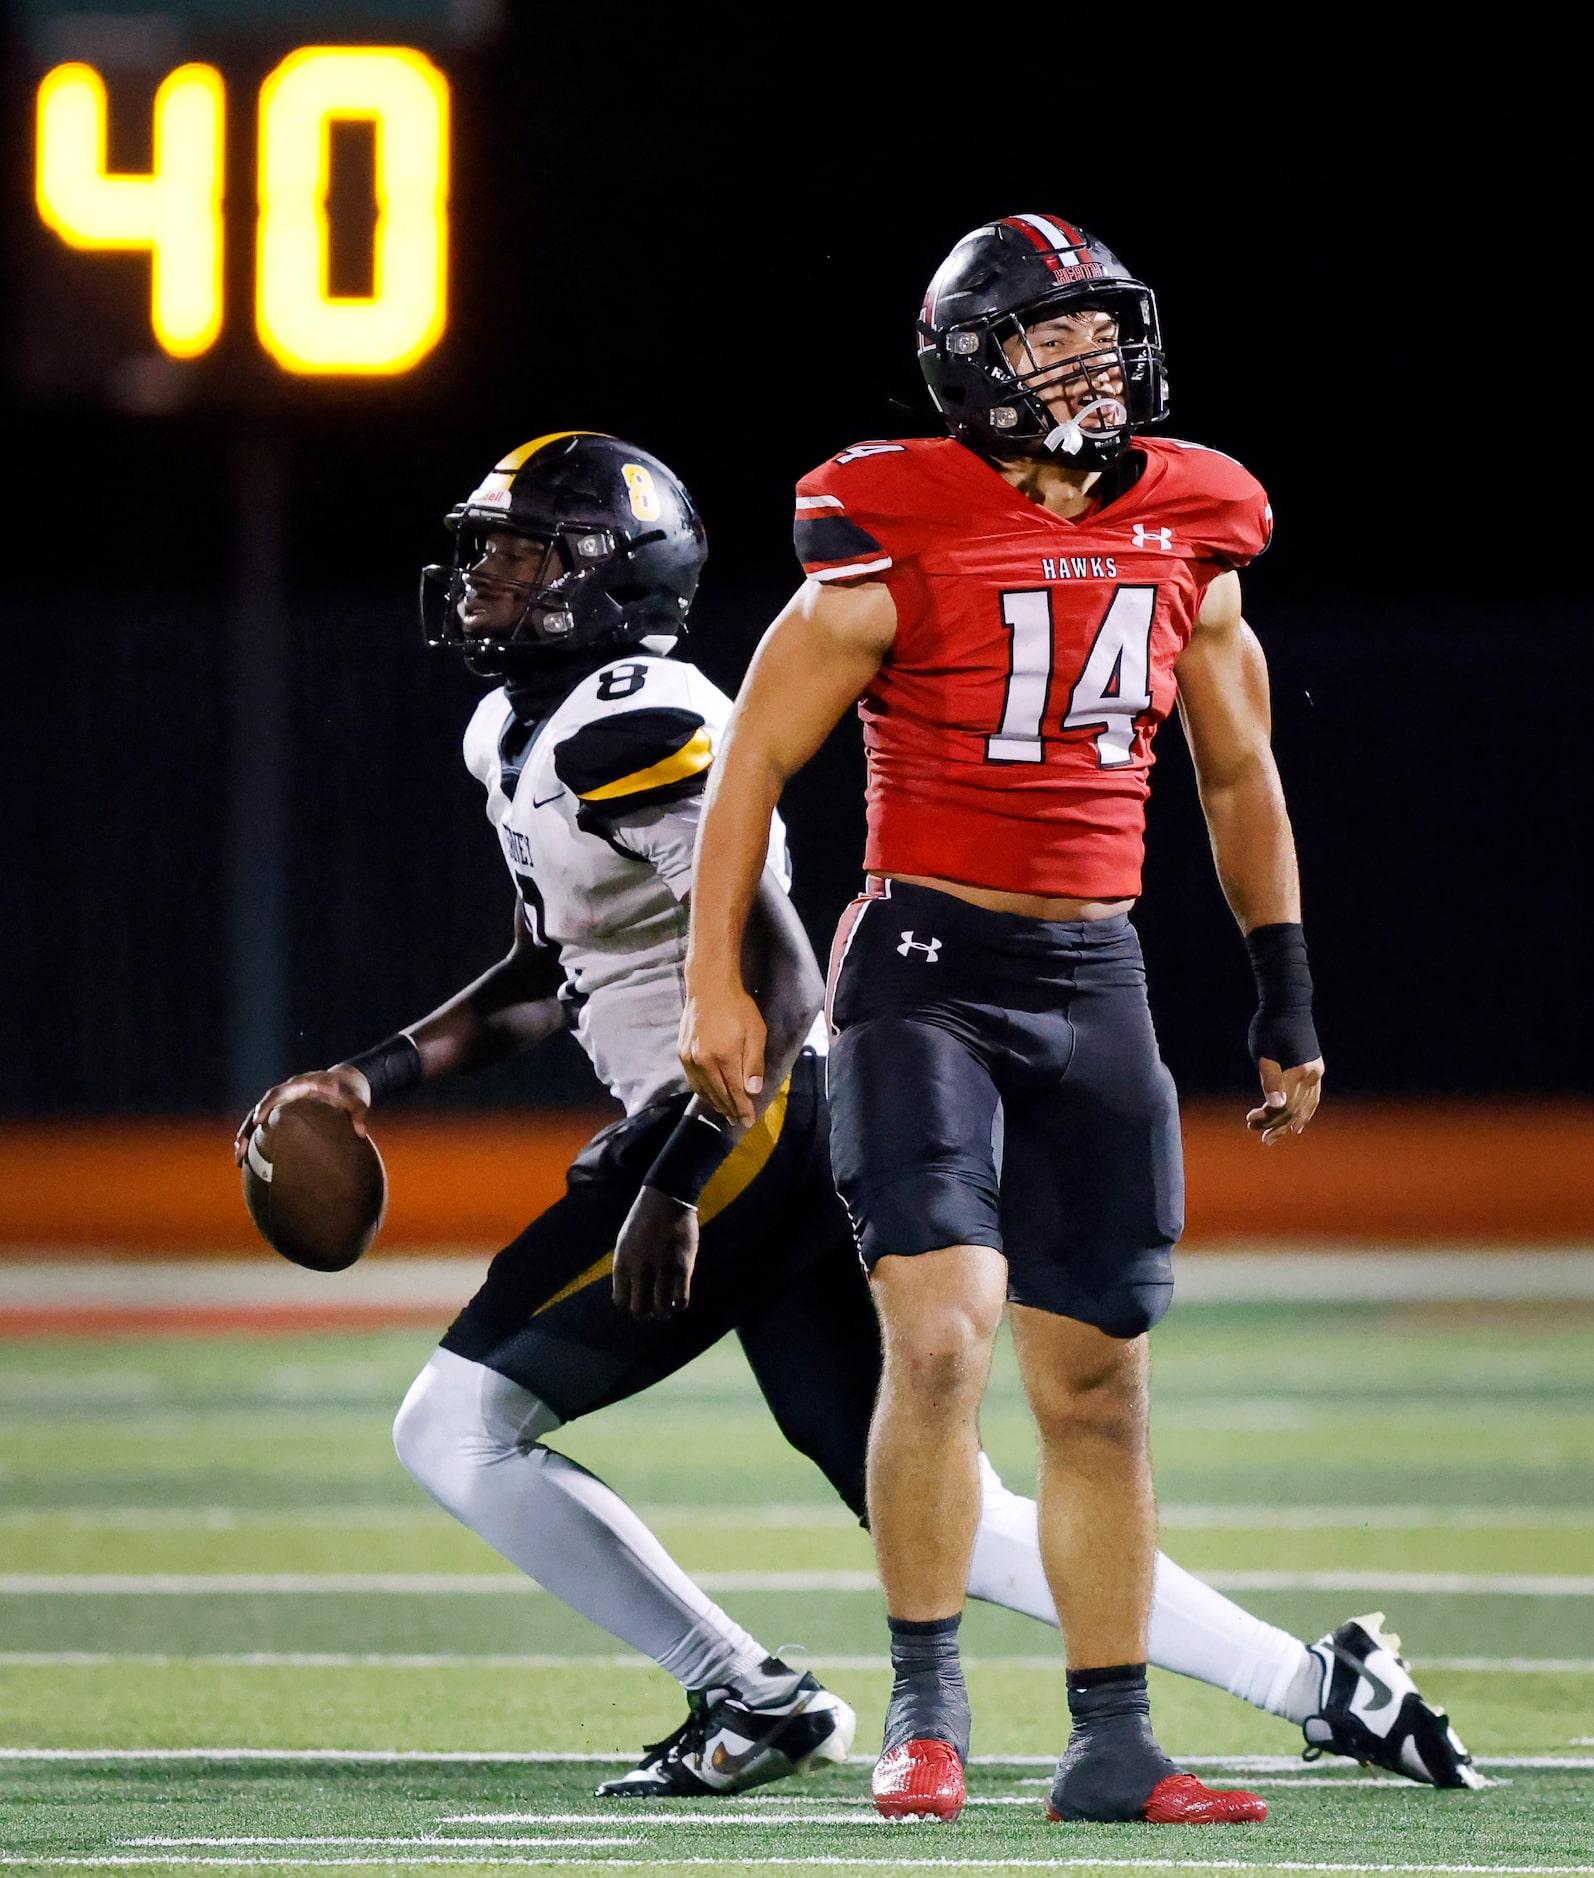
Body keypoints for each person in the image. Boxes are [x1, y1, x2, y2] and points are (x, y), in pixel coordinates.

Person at [237, 428, 1478, 1808]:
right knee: (929, 1487)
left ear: (613, 579)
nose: (487, 581)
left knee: (451, 1425)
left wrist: (675, 1174)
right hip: (754, 1122)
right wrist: (365, 1078)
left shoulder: (635, 722)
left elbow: (769, 967)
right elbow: (554, 968)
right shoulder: (518, 725)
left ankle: (744, 1688)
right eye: (489, 551)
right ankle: (1322, 1684)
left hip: (742, 1122)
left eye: (525, 555)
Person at [677, 214, 1382, 1825]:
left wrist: (1282, 984)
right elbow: (752, 764)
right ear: (966, 365)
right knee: (936, 1344)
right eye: (1045, 337)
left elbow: (1234, 769)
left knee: (1101, 1386)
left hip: (1098, 974)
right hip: (926, 967)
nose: (1085, 361)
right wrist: (718, 975)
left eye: (1097, 330)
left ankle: (1111, 1736)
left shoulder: (1191, 518)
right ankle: (924, 1713)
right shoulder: (891, 520)